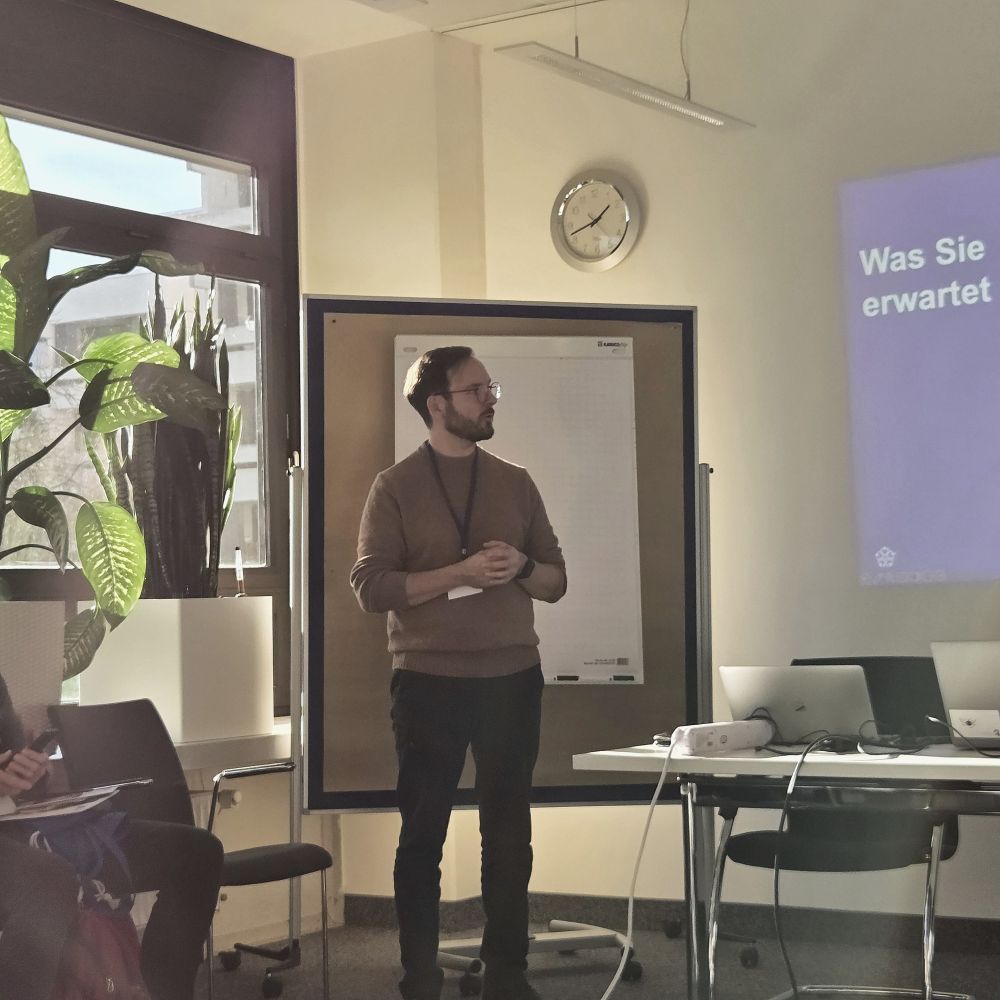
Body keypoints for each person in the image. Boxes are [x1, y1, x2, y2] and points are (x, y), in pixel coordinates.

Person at [351, 345, 567, 1000]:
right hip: (428, 682)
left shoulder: (516, 481)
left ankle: (508, 975)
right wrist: (460, 574)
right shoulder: (394, 486)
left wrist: (521, 568)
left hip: (512, 677)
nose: (490, 398)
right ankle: (419, 977)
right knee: (423, 834)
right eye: (477, 390)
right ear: (437, 404)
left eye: (491, 387)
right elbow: (370, 587)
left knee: (509, 834)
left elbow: (556, 581)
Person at [0, 673, 223, 1000]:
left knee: (197, 853)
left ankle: (165, 992)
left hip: (26, 825)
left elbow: (18, 773)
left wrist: (31, 773)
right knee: (51, 879)